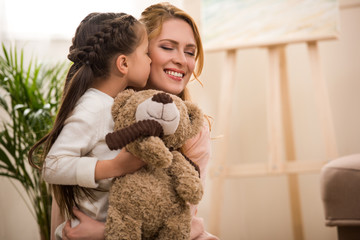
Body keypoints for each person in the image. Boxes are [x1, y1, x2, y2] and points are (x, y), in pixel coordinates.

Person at [51, 2, 219, 240]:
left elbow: (181, 219)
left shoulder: (193, 130)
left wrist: (104, 233)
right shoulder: (101, 114)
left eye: (190, 52)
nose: (182, 60)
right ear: (136, 55)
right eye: (168, 47)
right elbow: (65, 207)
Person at [28, 12, 151, 240]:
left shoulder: (111, 104)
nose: (150, 60)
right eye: (146, 53)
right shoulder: (93, 106)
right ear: (123, 63)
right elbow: (52, 166)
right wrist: (115, 167)